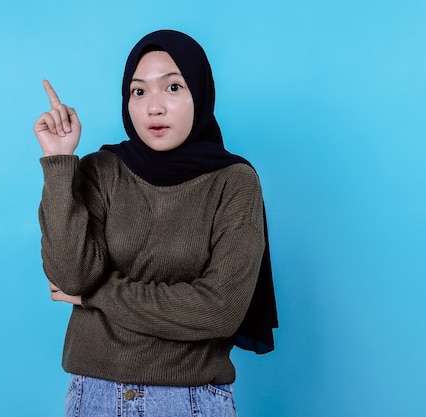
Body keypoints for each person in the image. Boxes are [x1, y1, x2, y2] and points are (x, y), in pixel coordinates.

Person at [34, 29, 277, 417]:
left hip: (191, 400)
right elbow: (71, 276)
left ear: (200, 92)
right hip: (93, 398)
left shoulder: (233, 181)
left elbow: (219, 310)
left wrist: (96, 296)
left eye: (174, 87)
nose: (154, 108)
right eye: (139, 91)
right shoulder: (101, 169)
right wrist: (61, 162)